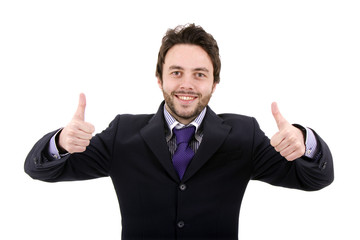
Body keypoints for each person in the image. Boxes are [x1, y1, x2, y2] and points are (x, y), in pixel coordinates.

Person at [24, 23, 334, 240]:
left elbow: (316, 179)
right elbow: (40, 170)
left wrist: (305, 142)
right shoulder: (123, 134)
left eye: (199, 74)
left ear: (214, 83)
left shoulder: (244, 135)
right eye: (176, 72)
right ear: (159, 79)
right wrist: (61, 143)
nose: (187, 84)